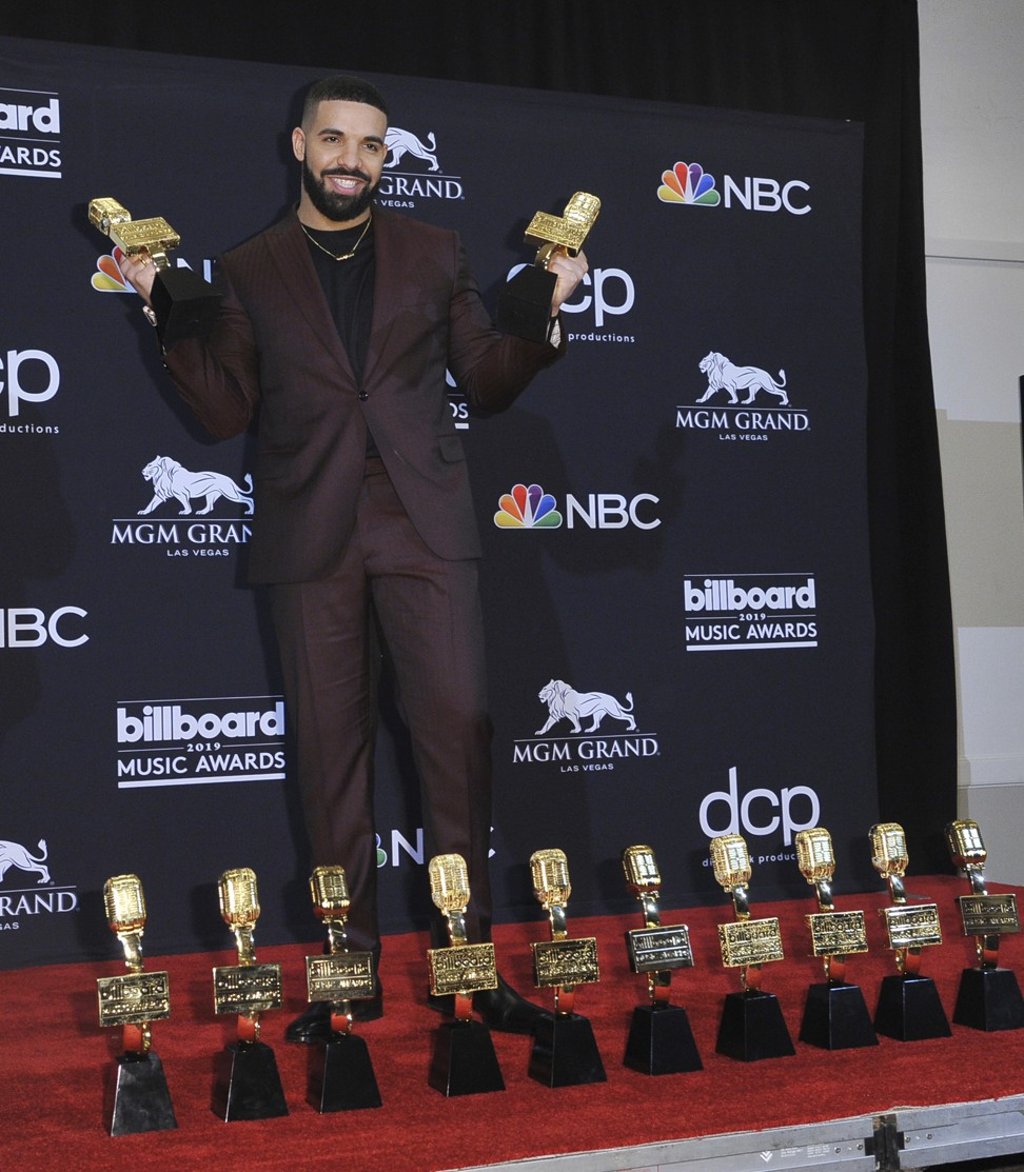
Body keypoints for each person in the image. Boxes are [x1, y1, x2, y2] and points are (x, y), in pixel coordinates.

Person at [118, 74, 588, 1040]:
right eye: (334, 140)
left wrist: (547, 307)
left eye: (371, 146)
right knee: (332, 758)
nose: (351, 160)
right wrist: (159, 303)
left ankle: (467, 967)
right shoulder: (250, 267)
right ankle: (347, 975)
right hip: (310, 532)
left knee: (456, 735)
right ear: (299, 146)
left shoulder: (433, 250)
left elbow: (488, 380)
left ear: (388, 155)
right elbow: (222, 414)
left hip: (426, 524)